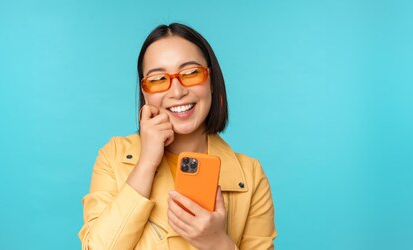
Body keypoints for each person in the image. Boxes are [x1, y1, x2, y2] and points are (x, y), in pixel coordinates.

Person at [78, 23, 277, 249]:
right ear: (145, 92)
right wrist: (147, 162)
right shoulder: (114, 156)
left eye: (191, 73)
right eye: (157, 79)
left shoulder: (250, 175)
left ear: (211, 81)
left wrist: (217, 243)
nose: (177, 92)